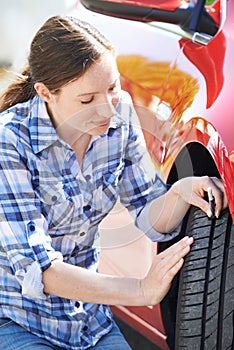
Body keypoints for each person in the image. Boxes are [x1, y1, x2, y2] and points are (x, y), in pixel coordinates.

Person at [0, 15, 227, 350]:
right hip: (19, 320)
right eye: (87, 100)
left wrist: (179, 193)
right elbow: (40, 271)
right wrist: (140, 290)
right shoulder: (10, 142)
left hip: (90, 322)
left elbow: (149, 214)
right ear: (45, 93)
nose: (107, 108)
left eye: (112, 87)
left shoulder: (118, 120)